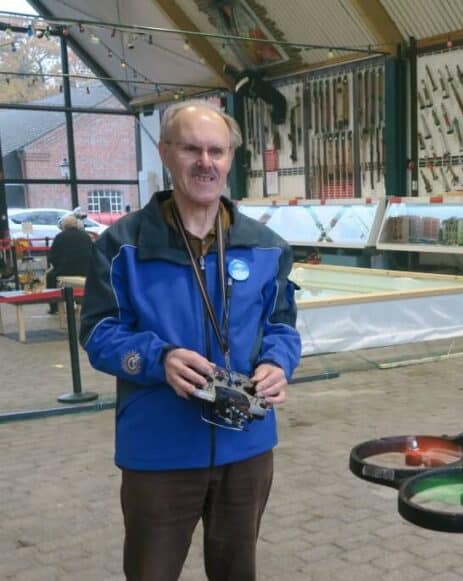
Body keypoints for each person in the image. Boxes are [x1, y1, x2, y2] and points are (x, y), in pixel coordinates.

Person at [79, 99, 302, 581]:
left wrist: (279, 363)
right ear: (165, 153)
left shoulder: (266, 248)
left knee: (237, 571)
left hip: (246, 446)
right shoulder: (122, 248)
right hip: (159, 450)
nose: (206, 162)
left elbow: (282, 325)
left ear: (229, 159)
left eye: (216, 151)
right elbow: (98, 332)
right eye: (191, 149)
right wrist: (158, 358)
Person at [45, 213, 93, 314]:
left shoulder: (59, 237)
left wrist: (57, 266)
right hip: (86, 271)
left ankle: (54, 308)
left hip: (65, 271)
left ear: (64, 226)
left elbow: (53, 258)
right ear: (76, 224)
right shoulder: (86, 237)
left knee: (50, 276)